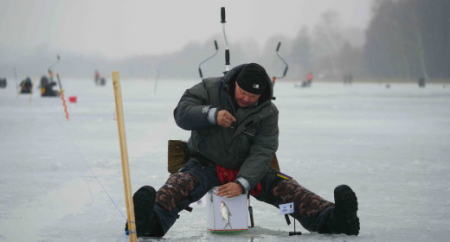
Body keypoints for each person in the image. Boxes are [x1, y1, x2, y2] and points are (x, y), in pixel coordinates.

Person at [129, 63, 360, 237]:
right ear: (234, 83)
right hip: (204, 163)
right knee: (178, 186)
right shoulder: (209, 89)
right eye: (243, 93)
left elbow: (264, 150)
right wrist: (211, 115)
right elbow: (181, 113)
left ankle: (332, 219)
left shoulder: (269, 112)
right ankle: (150, 221)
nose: (247, 99)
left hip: (250, 169)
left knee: (290, 190)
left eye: (253, 96)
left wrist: (243, 183)